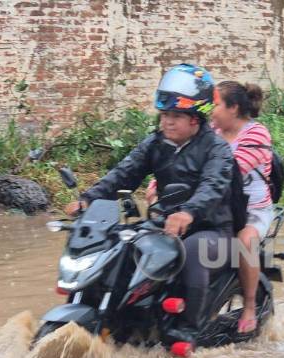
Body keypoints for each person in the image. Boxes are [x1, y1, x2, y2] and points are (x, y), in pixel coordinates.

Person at [64, 64, 235, 338]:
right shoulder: (155, 144)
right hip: (163, 223)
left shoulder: (217, 149)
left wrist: (188, 213)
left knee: (193, 252)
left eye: (175, 116)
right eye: (164, 115)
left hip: (210, 228)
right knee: (118, 245)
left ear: (195, 119)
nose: (167, 122)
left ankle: (187, 328)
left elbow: (213, 187)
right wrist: (89, 199)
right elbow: (124, 173)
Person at [211, 81, 274, 334]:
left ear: (233, 108)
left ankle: (249, 305)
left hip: (252, 211)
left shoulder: (257, 134)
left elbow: (229, 173)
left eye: (215, 105)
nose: (210, 110)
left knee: (246, 240)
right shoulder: (212, 131)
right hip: (218, 206)